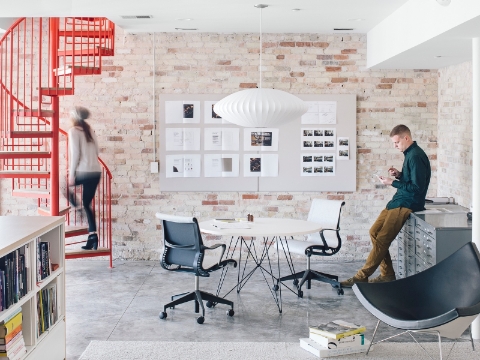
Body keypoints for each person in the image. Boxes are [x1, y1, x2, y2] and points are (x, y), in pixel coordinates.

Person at [340, 124, 431, 287]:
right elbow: (411, 180)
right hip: (398, 200)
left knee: (382, 238)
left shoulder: (416, 156)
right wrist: (399, 175)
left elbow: (417, 188)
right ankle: (387, 274)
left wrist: (392, 182)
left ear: (406, 138)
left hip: (407, 203)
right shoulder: (410, 154)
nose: (395, 146)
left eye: (396, 142)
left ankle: (362, 275)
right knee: (374, 231)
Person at [68, 106, 102, 250]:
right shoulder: (90, 131)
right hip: (96, 172)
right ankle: (92, 237)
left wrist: (71, 175)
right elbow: (98, 151)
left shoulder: (73, 131)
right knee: (87, 203)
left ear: (74, 117)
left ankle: (78, 207)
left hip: (84, 172)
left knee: (60, 184)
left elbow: (75, 154)